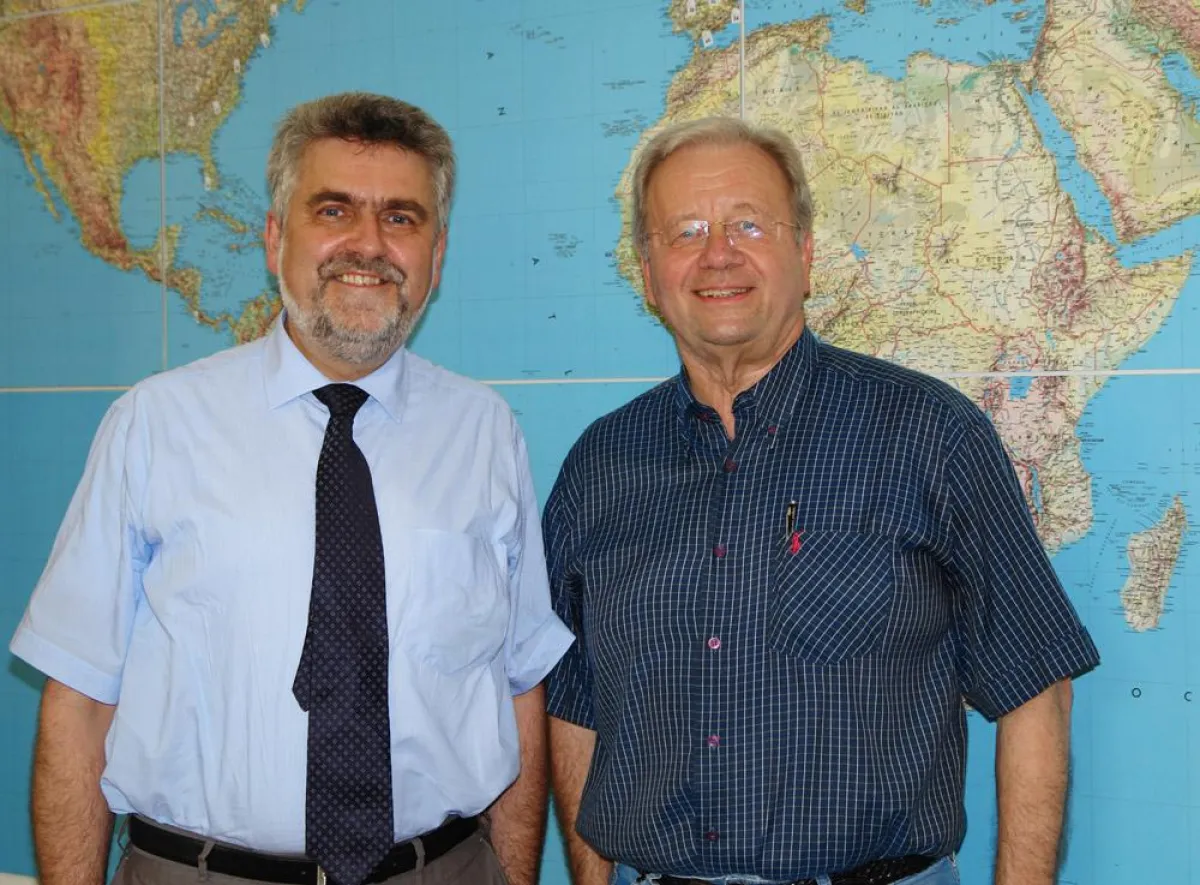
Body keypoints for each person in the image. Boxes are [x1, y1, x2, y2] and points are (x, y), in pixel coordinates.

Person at [10, 92, 573, 885]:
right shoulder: (155, 423)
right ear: (277, 236)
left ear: (437, 254)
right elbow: (78, 701)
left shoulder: (485, 432)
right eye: (335, 210)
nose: (368, 245)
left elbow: (517, 685)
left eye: (401, 218)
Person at [543, 116, 1100, 885]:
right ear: (648, 273)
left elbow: (1037, 685)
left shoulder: (929, 435)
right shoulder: (599, 467)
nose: (718, 253)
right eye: (687, 231)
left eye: (748, 223)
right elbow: (575, 702)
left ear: (804, 253)